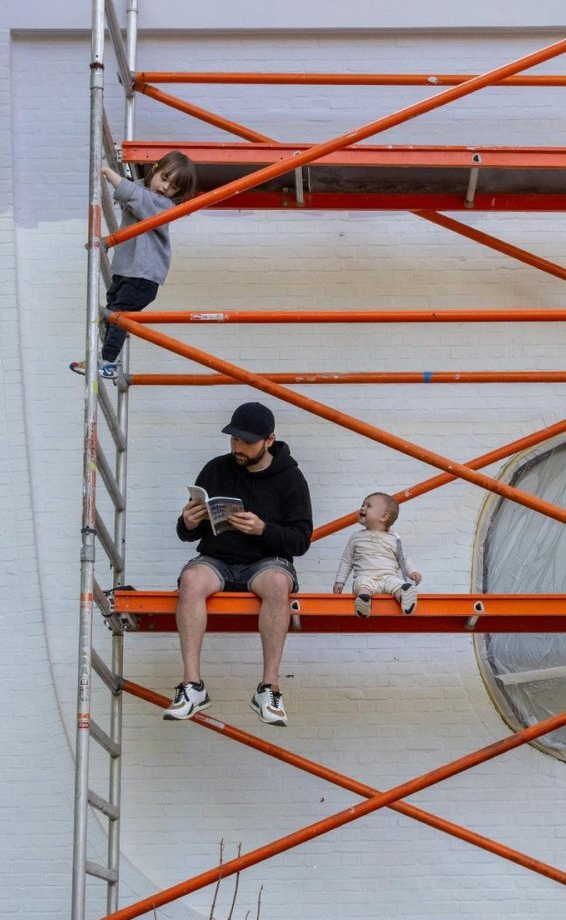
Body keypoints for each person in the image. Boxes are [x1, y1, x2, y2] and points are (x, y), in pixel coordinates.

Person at [164, 402, 313, 726]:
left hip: (265, 562)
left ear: (269, 440)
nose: (238, 447)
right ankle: (193, 686)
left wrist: (263, 529)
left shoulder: (290, 478)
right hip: (217, 559)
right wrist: (188, 522)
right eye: (234, 439)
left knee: (277, 584)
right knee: (190, 580)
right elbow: (187, 534)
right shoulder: (216, 469)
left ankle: (269, 688)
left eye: (247, 441)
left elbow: (301, 541)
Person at [70, 151, 198, 381]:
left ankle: (108, 362)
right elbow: (133, 191)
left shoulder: (162, 205)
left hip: (143, 275)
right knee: (112, 310)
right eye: (164, 178)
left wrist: (108, 172)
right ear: (155, 169)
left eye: (173, 188)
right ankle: (106, 359)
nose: (165, 188)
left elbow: (133, 194)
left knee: (120, 315)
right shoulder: (142, 191)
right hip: (126, 269)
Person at [333, 492, 422, 617]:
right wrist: (340, 581)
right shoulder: (356, 537)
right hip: (365, 577)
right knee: (361, 584)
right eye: (362, 505)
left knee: (397, 584)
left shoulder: (393, 539)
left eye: (368, 506)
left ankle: (404, 598)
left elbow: (404, 559)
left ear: (384, 516)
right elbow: (347, 561)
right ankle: (364, 602)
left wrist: (412, 572)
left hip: (387, 578)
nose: (362, 508)